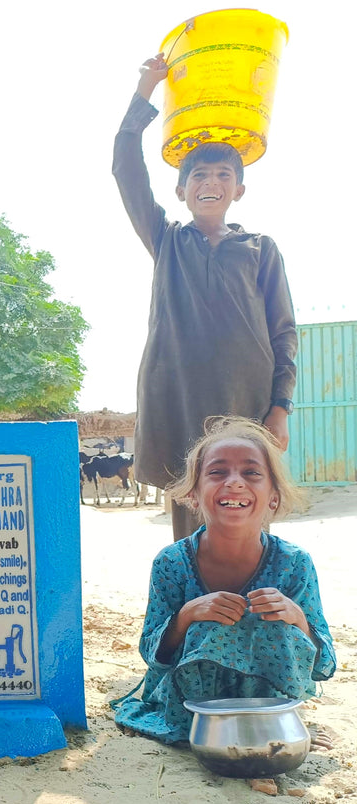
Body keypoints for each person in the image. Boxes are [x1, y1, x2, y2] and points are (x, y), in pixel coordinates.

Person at [114, 53, 298, 541]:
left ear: (239, 189)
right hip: (179, 402)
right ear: (180, 190)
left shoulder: (262, 250)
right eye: (199, 176)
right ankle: (193, 612)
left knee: (246, 509)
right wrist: (146, 90)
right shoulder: (166, 239)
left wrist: (279, 405)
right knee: (191, 514)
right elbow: (125, 168)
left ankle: (245, 611)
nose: (210, 183)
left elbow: (283, 332)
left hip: (247, 403)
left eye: (222, 176)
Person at [112, 416, 335, 789]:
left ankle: (268, 736)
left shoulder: (294, 564)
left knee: (277, 622)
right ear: (193, 495)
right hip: (192, 712)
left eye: (251, 473)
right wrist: (186, 616)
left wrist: (297, 618)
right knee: (206, 621)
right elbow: (153, 654)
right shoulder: (172, 563)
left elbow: (324, 662)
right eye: (217, 472)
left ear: (274, 496)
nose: (234, 481)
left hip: (269, 711)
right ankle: (237, 749)